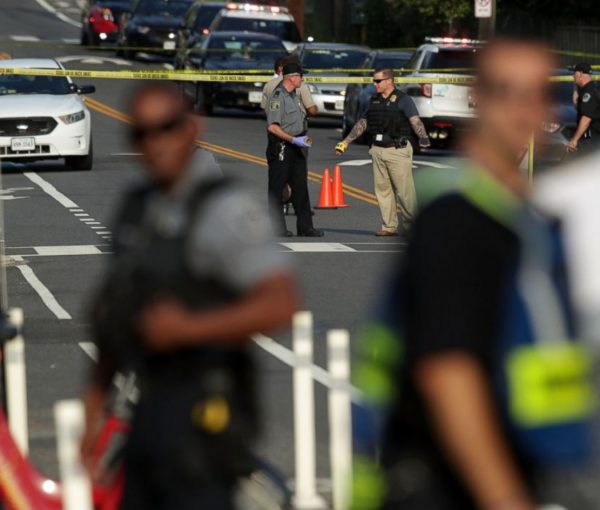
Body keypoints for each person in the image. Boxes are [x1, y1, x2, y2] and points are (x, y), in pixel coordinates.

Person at [352, 36, 595, 510]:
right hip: (448, 484)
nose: (522, 109)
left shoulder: (523, 215)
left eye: (535, 93)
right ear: (476, 98)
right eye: (506, 91)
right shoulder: (459, 219)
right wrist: (505, 498)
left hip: (514, 465)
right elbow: (448, 372)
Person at [81, 83, 298, 509]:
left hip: (207, 410)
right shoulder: (135, 207)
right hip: (146, 408)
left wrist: (191, 328)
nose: (155, 142)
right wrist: (91, 420)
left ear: (191, 127)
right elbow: (114, 322)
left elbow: (281, 301)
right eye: (141, 133)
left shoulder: (225, 207)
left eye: (167, 127)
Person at [335, 68, 431, 237]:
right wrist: (346, 141)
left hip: (397, 150)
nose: (374, 84)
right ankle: (389, 226)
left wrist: (423, 137)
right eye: (374, 81)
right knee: (383, 190)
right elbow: (362, 123)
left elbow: (415, 120)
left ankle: (413, 226)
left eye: (378, 81)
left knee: (405, 192)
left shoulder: (404, 100)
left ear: (389, 81)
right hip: (378, 150)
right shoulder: (374, 101)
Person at [266, 62, 323, 237]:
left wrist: (302, 137)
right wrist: (293, 139)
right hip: (282, 146)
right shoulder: (278, 96)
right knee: (277, 187)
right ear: (291, 77)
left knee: (300, 187)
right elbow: (273, 127)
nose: (302, 79)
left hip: (297, 145)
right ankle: (277, 228)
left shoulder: (293, 95)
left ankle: (305, 227)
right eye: (300, 76)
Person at [566, 62, 600, 154]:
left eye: (574, 73)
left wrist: (574, 140)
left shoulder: (589, 92)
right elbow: (576, 105)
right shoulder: (586, 90)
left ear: (580, 73)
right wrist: (576, 86)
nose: (573, 76)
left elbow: (586, 118)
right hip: (589, 139)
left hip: (593, 139)